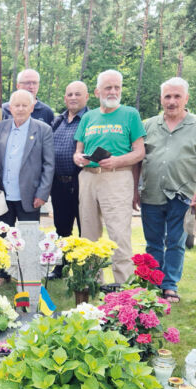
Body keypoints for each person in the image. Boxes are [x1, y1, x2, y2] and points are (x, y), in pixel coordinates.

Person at [138, 77, 196, 303]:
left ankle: (170, 284)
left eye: (177, 96)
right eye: (167, 96)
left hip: (183, 194)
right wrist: (136, 189)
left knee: (175, 241)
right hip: (151, 193)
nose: (172, 101)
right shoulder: (147, 125)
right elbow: (138, 159)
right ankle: (153, 283)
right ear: (161, 99)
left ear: (186, 98)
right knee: (153, 242)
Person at [73, 69, 146, 284]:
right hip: (88, 177)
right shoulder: (88, 117)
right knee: (88, 232)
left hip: (117, 177)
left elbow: (139, 152)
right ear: (97, 92)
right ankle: (91, 283)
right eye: (108, 87)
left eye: (117, 87)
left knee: (119, 234)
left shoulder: (130, 114)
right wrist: (79, 158)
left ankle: (124, 287)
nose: (113, 91)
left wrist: (117, 160)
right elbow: (78, 150)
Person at [0, 89, 55, 229]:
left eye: (25, 105)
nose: (20, 109)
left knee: (28, 242)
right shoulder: (0, 128)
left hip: (30, 197)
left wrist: (42, 194)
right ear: (10, 108)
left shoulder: (44, 130)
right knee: (2, 241)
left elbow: (49, 165)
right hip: (2, 196)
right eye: (17, 105)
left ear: (32, 108)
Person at [48, 81, 90, 279]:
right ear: (65, 98)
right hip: (58, 183)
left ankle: (84, 269)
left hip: (81, 180)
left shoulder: (91, 120)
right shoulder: (58, 120)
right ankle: (61, 267)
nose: (73, 97)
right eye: (70, 94)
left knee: (85, 227)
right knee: (61, 228)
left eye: (78, 94)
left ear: (87, 97)